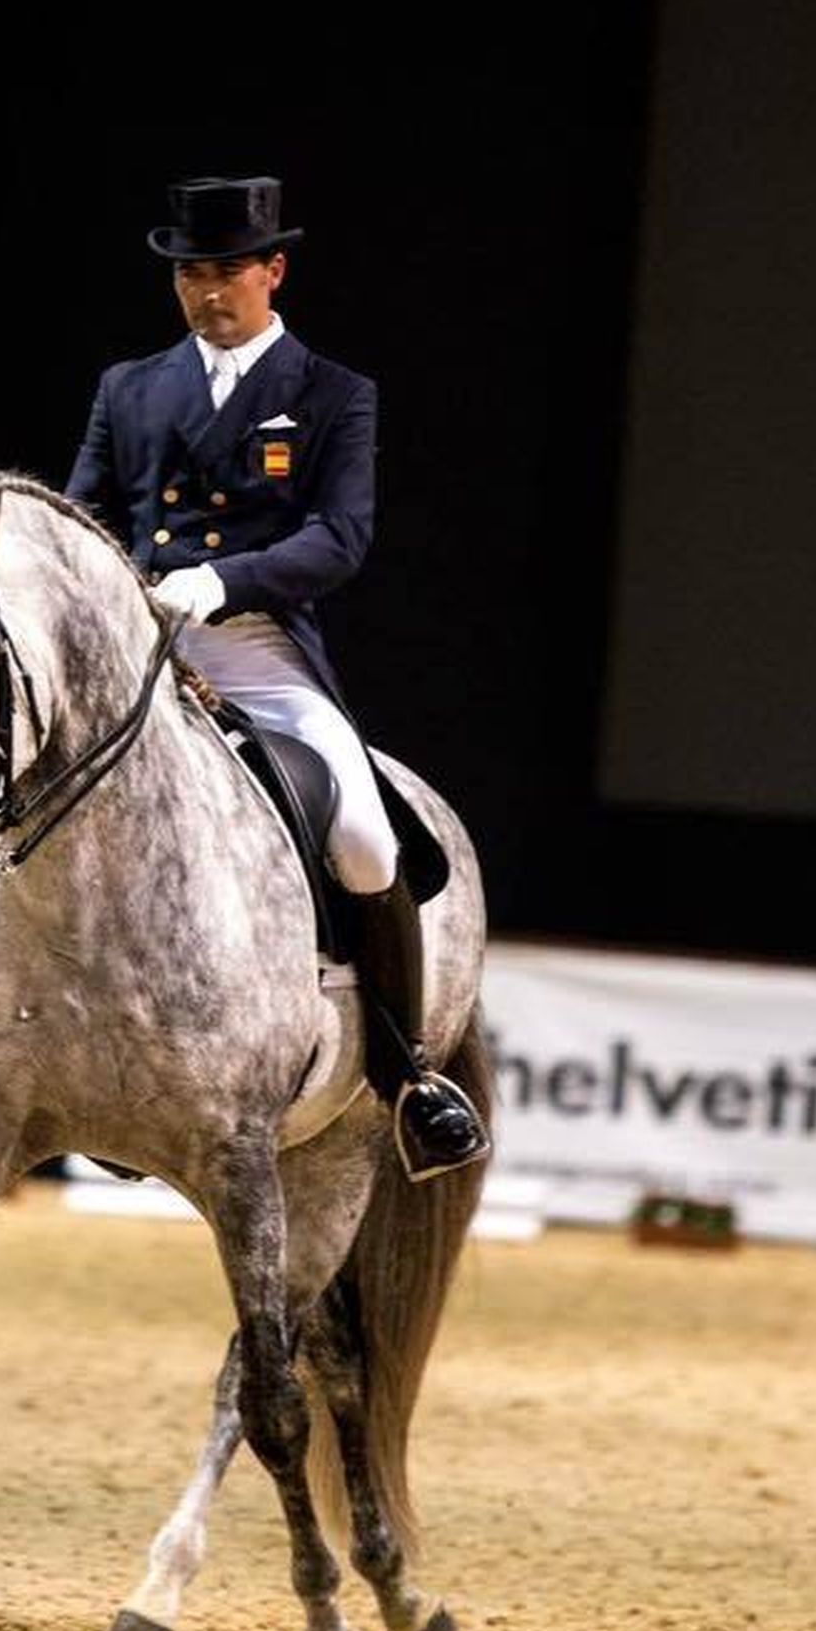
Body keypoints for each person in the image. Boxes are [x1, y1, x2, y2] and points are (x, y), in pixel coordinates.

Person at [65, 174, 490, 1181]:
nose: (207, 293)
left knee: (358, 828)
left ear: (272, 271)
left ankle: (405, 1071)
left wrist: (220, 578)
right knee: (16, 799)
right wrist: (119, 593)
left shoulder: (332, 394)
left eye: (225, 272)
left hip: (255, 644)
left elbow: (340, 539)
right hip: (140, 645)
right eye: (189, 274)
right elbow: (81, 518)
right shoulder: (128, 388)